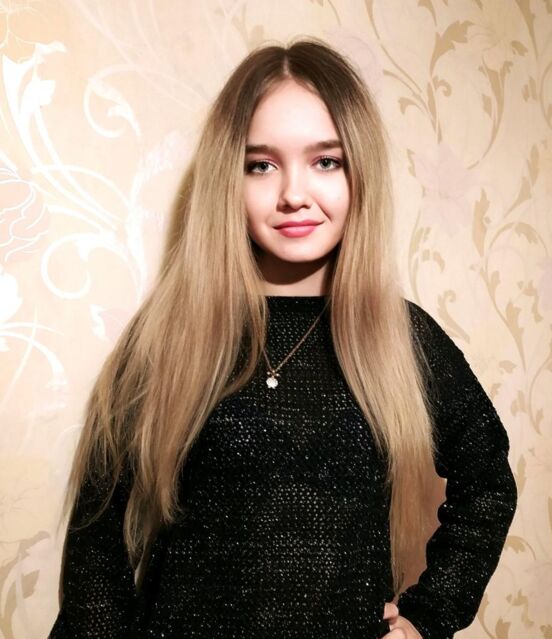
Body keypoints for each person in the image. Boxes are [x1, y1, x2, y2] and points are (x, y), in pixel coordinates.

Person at [49, 36, 517, 639]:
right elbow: (97, 534)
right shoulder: (169, 334)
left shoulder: (402, 338)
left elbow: (488, 483)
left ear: (360, 173)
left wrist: (428, 617)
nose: (294, 193)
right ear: (229, 178)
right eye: (261, 165)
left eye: (326, 161)